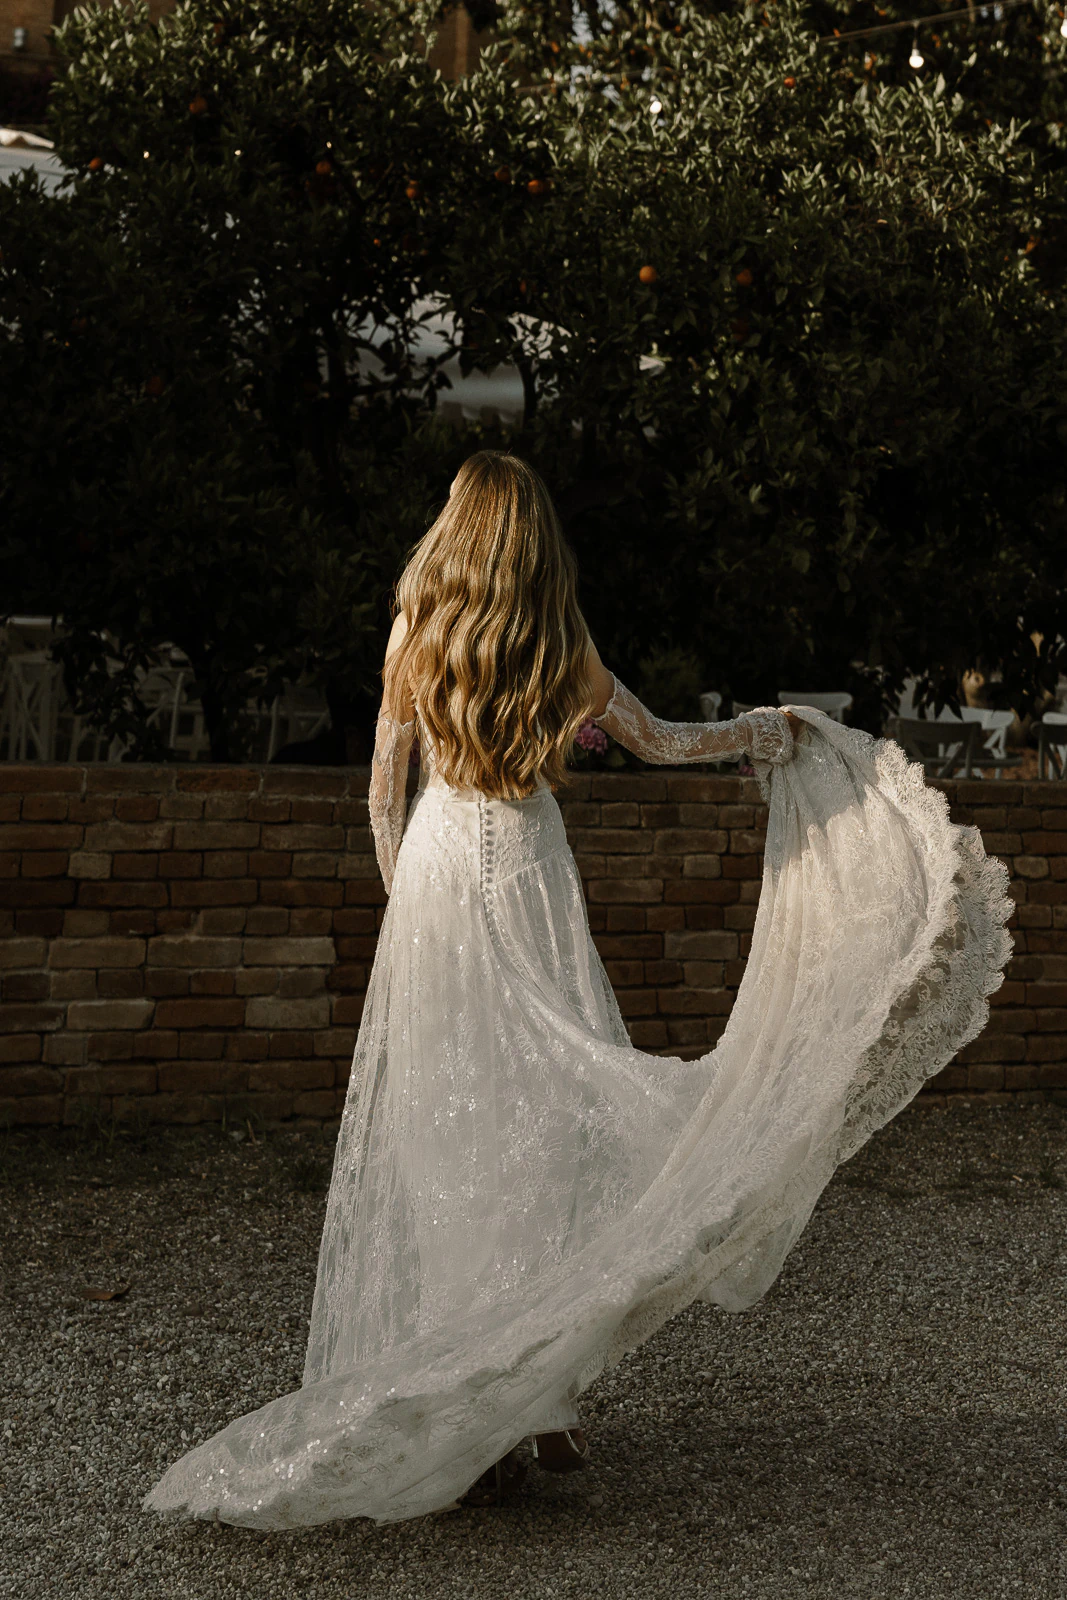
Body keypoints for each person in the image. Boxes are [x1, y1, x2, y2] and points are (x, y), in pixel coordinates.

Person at [144, 452, 1011, 1529]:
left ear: (458, 532)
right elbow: (661, 743)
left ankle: (504, 1399)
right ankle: (536, 1401)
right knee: (549, 1124)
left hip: (438, 878)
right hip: (527, 869)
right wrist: (764, 732)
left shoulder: (415, 632)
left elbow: (381, 798)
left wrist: (412, 918)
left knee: (450, 1138)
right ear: (534, 545)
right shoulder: (561, 644)